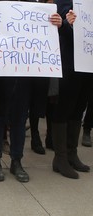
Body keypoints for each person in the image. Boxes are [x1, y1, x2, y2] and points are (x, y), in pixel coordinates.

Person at [0, 0, 62, 183]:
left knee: (19, 120)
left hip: (23, 75)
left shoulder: (30, 5)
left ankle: (17, 161)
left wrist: (56, 24)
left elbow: (44, 33)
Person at [51, 0, 91, 179]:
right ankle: (60, 158)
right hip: (69, 62)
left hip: (88, 63)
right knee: (65, 108)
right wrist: (67, 23)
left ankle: (72, 153)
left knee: (79, 108)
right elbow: (58, 23)